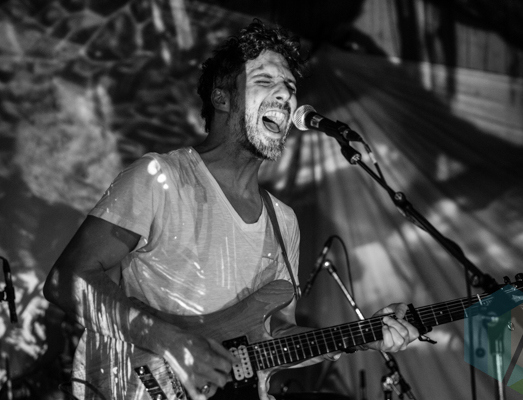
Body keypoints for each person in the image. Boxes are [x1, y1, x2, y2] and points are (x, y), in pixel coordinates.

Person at [43, 19, 419, 400]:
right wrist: (170, 341)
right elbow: (66, 279)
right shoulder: (161, 178)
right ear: (222, 98)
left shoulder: (284, 221)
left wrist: (362, 336)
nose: (285, 95)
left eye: (290, 87)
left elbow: (274, 337)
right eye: (265, 81)